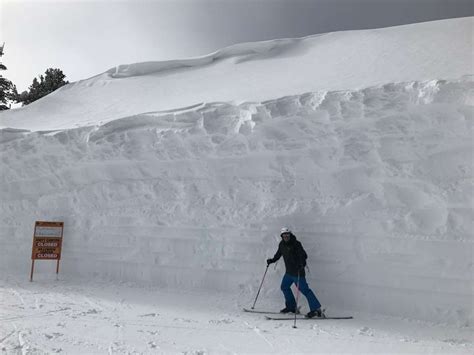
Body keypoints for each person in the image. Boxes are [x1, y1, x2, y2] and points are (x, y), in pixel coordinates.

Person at [266, 227, 324, 318]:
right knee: (284, 287)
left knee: (305, 290)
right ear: (282, 236)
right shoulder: (282, 244)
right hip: (289, 273)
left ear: (290, 234)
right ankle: (291, 307)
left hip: (298, 273)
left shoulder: (296, 244)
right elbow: (278, 254)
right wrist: (272, 260)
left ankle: (316, 310)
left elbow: (304, 256)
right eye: (284, 235)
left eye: (287, 234)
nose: (286, 236)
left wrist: (301, 264)